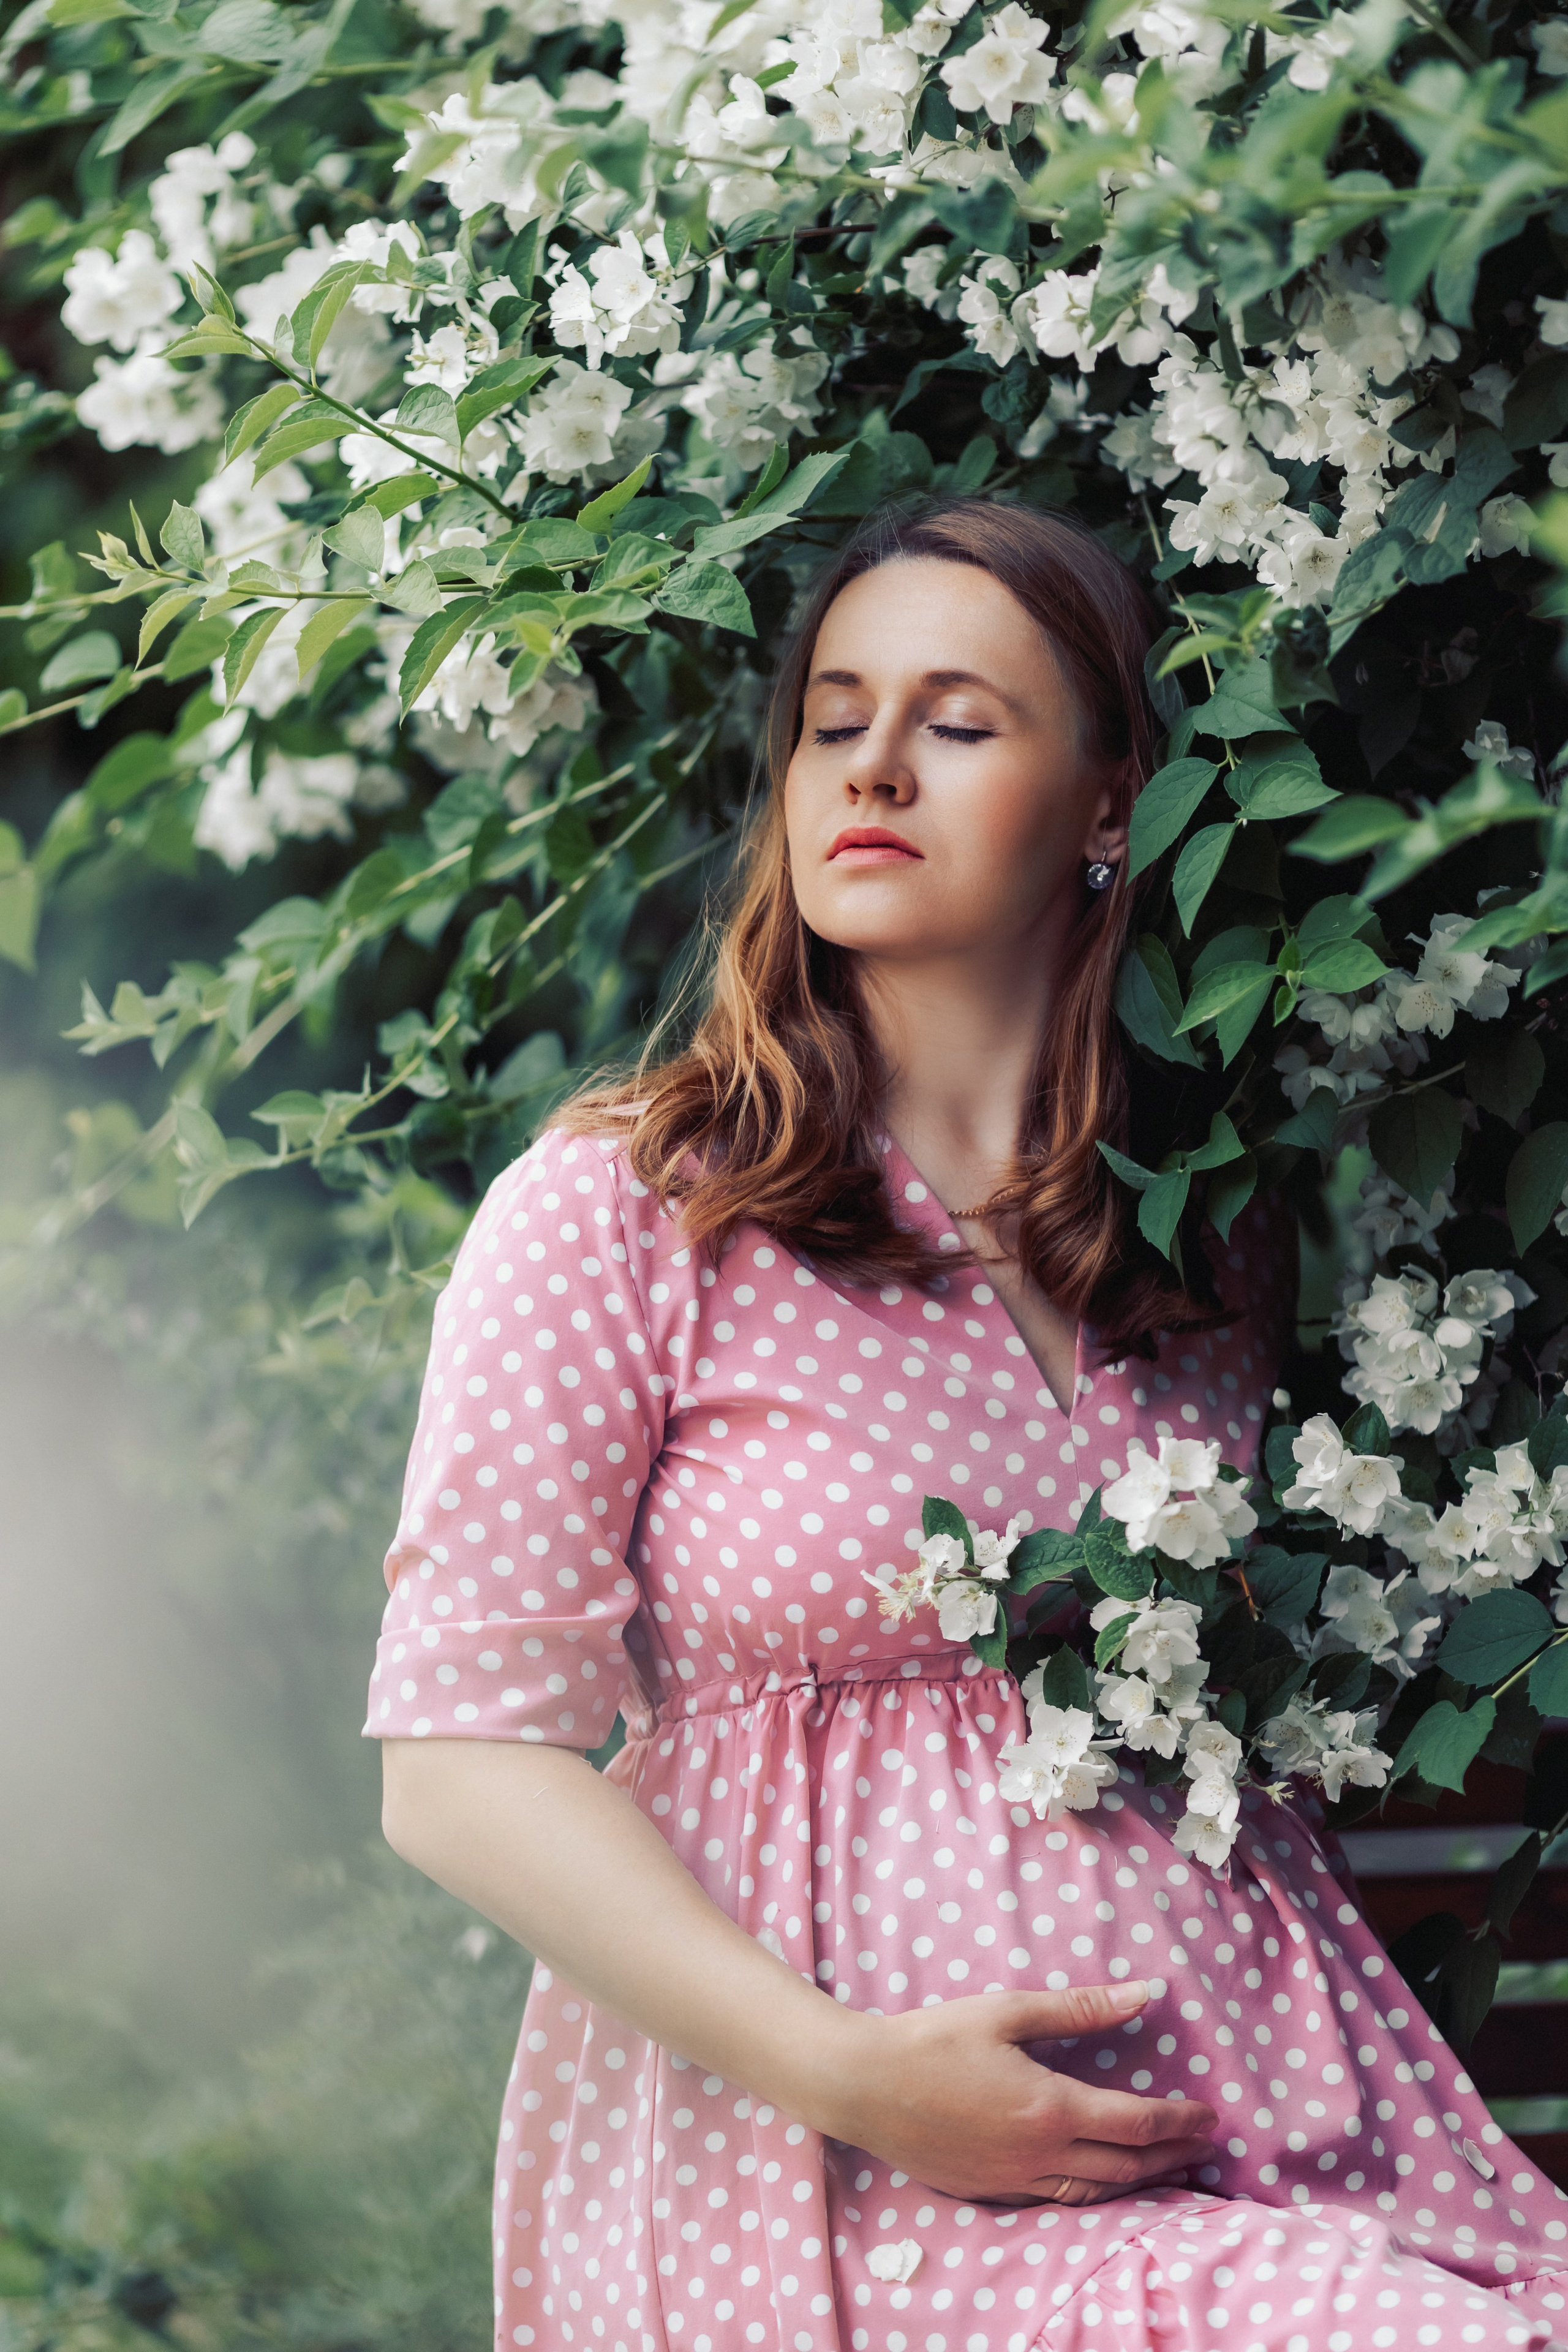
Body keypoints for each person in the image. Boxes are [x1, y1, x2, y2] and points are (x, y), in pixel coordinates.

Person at [368, 501, 1568, 2352]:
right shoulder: (632, 1206)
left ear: (1112, 807)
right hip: (834, 2174)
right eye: (835, 717)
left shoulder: (1206, 1239)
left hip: (1280, 2133)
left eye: (959, 718)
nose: (872, 765)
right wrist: (852, 2073)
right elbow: (455, 1762)